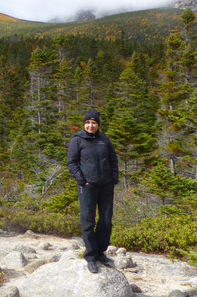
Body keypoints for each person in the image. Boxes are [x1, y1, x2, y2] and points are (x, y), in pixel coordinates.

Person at [66, 109, 119, 273]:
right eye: (88, 123)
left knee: (105, 220)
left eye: (94, 123)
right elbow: (71, 162)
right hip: (88, 187)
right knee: (88, 220)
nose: (90, 125)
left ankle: (100, 252)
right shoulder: (77, 139)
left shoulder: (104, 140)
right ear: (84, 124)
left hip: (106, 187)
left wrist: (113, 179)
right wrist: (82, 181)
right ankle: (90, 256)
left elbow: (113, 160)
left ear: (98, 125)